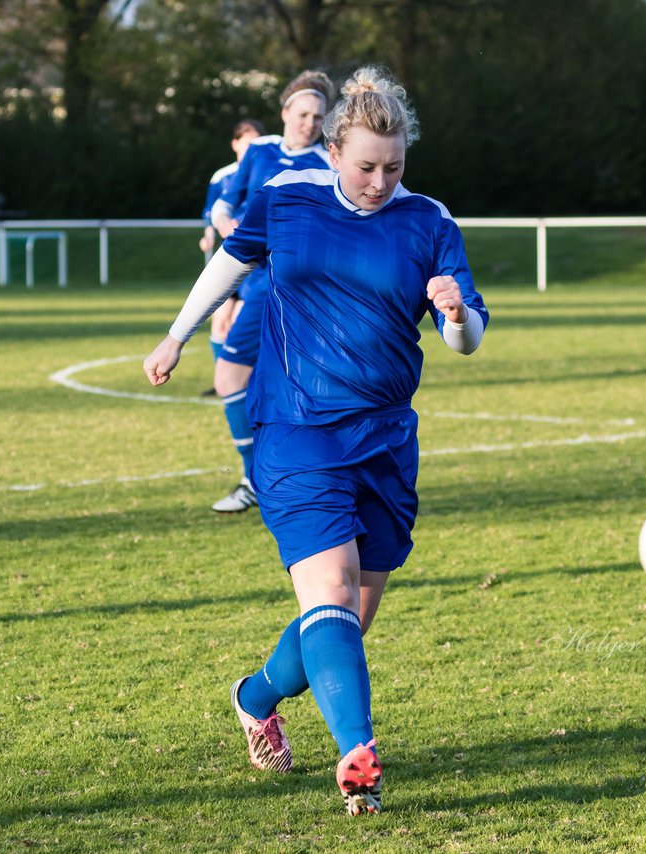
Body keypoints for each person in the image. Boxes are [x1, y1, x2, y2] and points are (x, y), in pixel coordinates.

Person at [143, 66, 488, 816]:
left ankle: (254, 695)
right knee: (329, 596)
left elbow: (469, 339)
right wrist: (176, 336)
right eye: (365, 165)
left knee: (342, 622)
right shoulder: (287, 201)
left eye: (393, 167)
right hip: (295, 434)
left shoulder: (429, 221)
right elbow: (224, 267)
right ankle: (357, 755)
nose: (378, 180)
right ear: (334, 150)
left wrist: (455, 311)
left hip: (388, 443)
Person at [205, 70, 335, 513]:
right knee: (256, 382)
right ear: (284, 113)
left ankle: (260, 476)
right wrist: (228, 229)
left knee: (238, 379)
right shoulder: (258, 151)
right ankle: (269, 474)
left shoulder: (328, 163)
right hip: (249, 278)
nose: (310, 123)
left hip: (285, 288)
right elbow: (225, 203)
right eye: (302, 113)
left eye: (318, 116)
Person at [198, 118, 265, 396]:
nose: (252, 148)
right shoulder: (222, 176)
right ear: (235, 144)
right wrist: (210, 235)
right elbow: (211, 212)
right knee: (220, 318)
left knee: (240, 317)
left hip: (258, 259)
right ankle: (222, 380)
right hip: (232, 256)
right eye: (247, 142)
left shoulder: (266, 171)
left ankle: (244, 378)